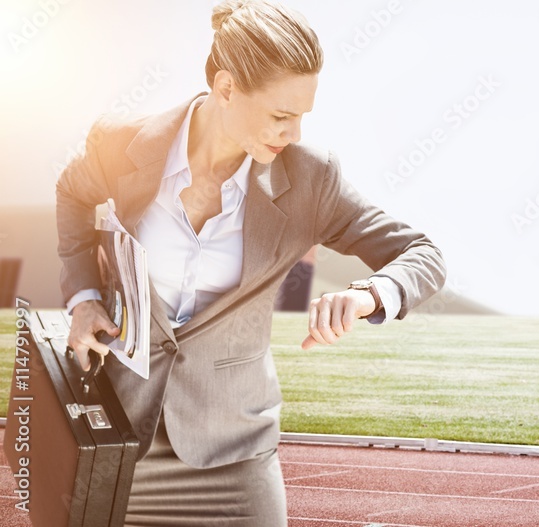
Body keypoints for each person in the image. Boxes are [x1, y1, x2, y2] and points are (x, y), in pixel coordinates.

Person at [55, 1, 447, 525]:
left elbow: (422, 253)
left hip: (234, 456)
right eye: (282, 116)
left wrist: (367, 294)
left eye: (303, 116)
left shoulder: (311, 179)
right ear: (225, 88)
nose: (295, 134)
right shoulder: (124, 143)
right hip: (117, 440)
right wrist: (82, 298)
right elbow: (73, 195)